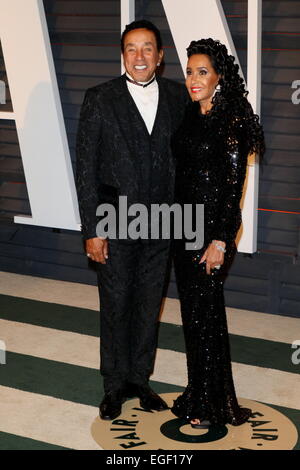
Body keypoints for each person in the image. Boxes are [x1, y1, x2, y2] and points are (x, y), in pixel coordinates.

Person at [76, 20, 188, 420]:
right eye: (131, 48)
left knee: (148, 304)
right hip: (114, 221)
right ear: (122, 55)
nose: (139, 56)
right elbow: (85, 169)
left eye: (147, 48)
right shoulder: (99, 99)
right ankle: (114, 385)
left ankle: (140, 379)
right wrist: (92, 230)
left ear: (160, 57)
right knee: (116, 302)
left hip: (163, 221)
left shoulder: (179, 97)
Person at [171, 38, 265, 428]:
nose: (193, 79)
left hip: (211, 233)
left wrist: (221, 241)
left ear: (220, 77)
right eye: (190, 71)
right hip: (183, 226)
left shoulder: (231, 123)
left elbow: (233, 188)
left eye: (202, 71)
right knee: (194, 318)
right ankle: (200, 392)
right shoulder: (192, 115)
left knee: (207, 318)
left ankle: (212, 405)